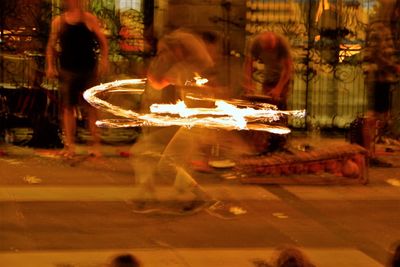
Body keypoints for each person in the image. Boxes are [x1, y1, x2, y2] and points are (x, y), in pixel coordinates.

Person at [130, 28, 217, 213]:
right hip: (192, 123)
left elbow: (157, 82)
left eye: (168, 50)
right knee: (164, 158)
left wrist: (151, 70)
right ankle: (164, 195)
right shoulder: (192, 69)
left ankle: (199, 197)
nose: (166, 55)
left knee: (166, 163)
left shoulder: (185, 70)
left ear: (178, 49)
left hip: (193, 125)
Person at [46, 0, 109, 158]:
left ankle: (95, 145)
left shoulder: (89, 19)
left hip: (88, 69)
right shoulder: (59, 21)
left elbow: (103, 42)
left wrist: (104, 60)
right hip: (68, 69)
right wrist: (50, 66)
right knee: (68, 108)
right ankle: (70, 146)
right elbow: (51, 46)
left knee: (91, 108)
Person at [242, 31, 294, 154]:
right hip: (269, 77)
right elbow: (248, 64)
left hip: (282, 78)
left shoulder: (282, 44)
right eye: (267, 49)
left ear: (275, 42)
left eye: (271, 48)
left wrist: (279, 89)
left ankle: (280, 142)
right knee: (265, 108)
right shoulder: (256, 43)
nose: (269, 51)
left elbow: (288, 69)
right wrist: (248, 83)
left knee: (279, 108)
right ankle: (264, 143)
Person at [362, 22, 400, 166]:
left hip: (383, 78)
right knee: (375, 116)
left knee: (381, 115)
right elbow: (376, 55)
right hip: (378, 77)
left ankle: (370, 152)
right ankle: (368, 153)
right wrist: (393, 67)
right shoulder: (378, 29)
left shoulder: (385, 28)